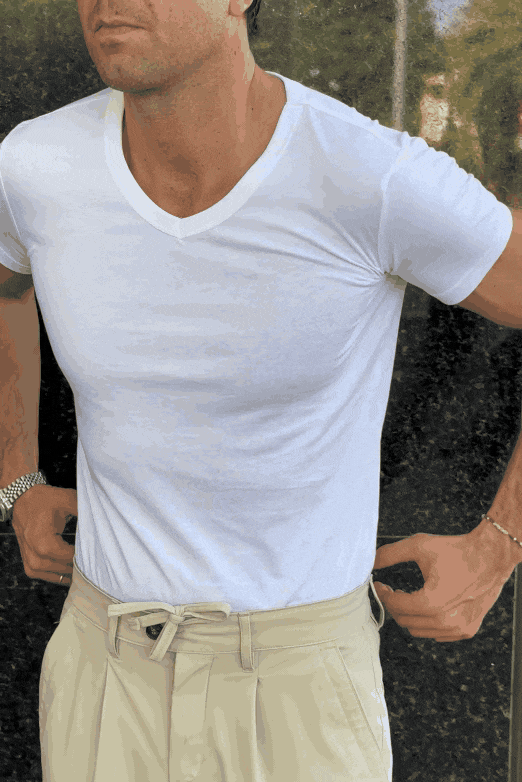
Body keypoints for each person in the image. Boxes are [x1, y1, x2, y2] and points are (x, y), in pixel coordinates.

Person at [1, 0, 521, 780]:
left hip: (297, 690)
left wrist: (501, 541)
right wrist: (17, 475)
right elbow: (8, 283)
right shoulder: (36, 164)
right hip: (100, 669)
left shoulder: (367, 174)